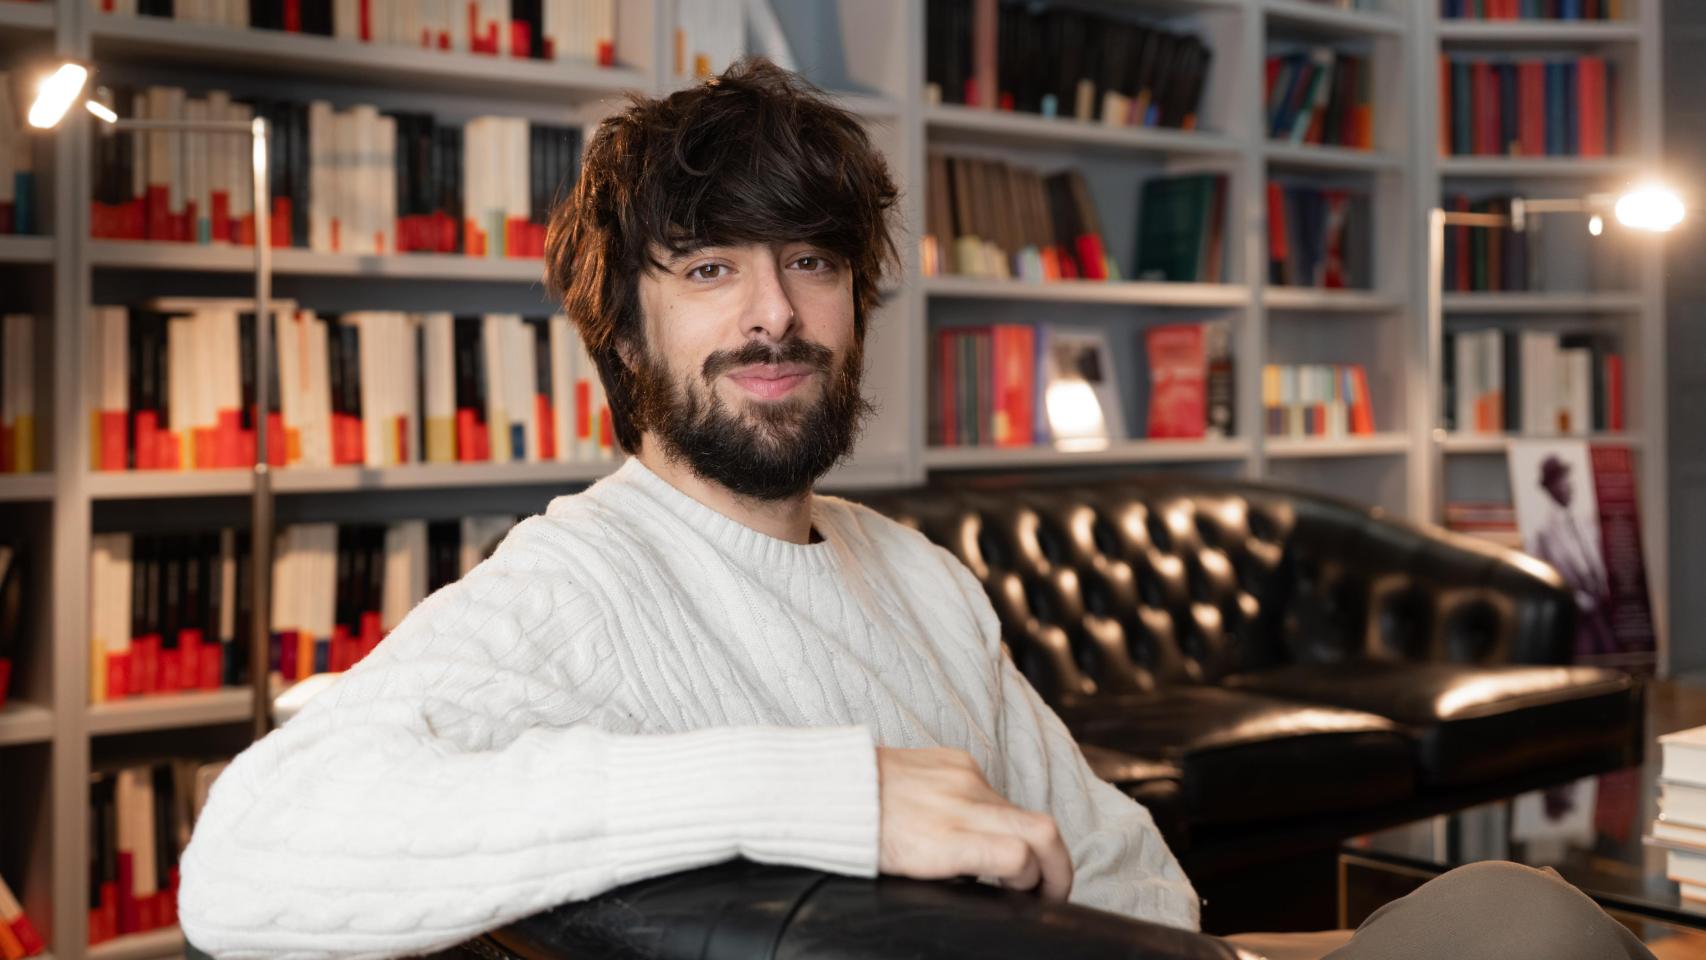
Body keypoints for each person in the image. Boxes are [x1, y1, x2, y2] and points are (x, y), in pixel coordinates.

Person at [176, 59, 1654, 960]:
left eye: (812, 262)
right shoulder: (579, 586)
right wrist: (822, 794)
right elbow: (247, 862)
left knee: (1520, 914)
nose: (773, 314)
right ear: (623, 330)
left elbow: (1128, 885)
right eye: (709, 270)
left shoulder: (916, 574)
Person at [1530, 454, 1617, 656]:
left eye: (1567, 478)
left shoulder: (1585, 521)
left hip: (1605, 610)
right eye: (1560, 481)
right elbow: (1543, 580)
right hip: (1578, 618)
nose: (1567, 485)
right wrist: (1577, 600)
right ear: (1550, 488)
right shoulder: (1544, 533)